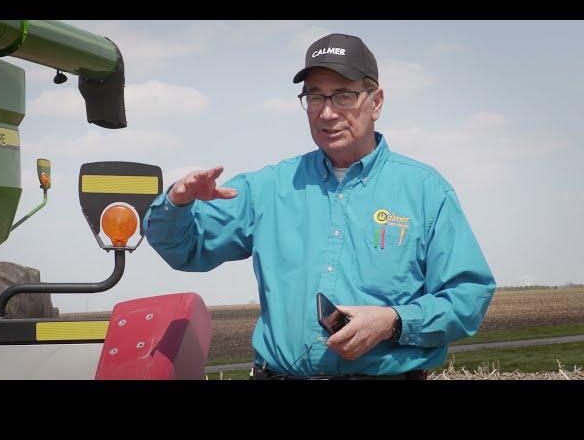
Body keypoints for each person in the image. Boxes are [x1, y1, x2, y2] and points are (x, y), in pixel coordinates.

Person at [143, 33, 496, 380]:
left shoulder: (425, 190)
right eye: (315, 97)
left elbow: (468, 297)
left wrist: (393, 322)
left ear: (376, 101)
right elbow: (185, 249)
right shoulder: (269, 187)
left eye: (344, 96)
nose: (327, 113)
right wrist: (177, 202)